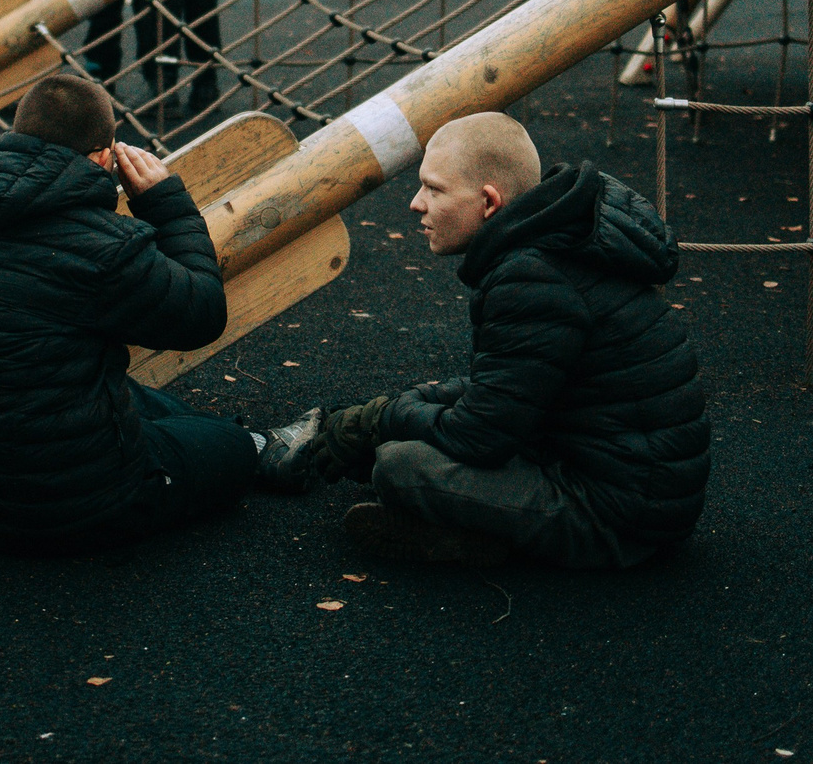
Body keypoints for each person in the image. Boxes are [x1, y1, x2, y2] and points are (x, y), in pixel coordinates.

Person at [256, 113, 710, 569]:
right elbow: (510, 387)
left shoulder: (532, 277)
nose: (417, 204)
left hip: (619, 518)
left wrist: (381, 421)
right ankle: (470, 529)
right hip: (635, 484)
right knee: (404, 428)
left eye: (434, 189)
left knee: (401, 467)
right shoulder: (559, 246)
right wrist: (396, 405)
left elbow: (480, 438)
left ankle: (482, 541)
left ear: (489, 202)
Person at [0, 71, 257, 554]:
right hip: (72, 509)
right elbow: (202, 314)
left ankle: (193, 436)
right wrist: (165, 204)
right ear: (103, 156)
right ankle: (246, 446)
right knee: (233, 448)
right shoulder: (105, 249)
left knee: (119, 392)